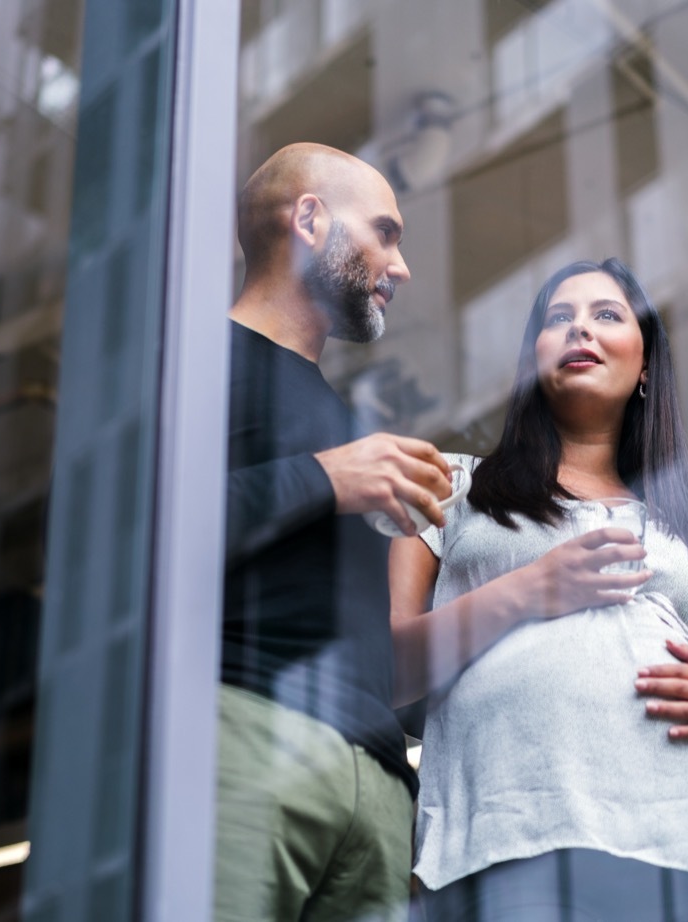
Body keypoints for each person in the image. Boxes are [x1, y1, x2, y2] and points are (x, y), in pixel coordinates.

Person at [390, 258, 688, 920]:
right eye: (558, 318)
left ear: (645, 365)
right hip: (512, 851)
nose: (580, 329)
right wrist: (528, 590)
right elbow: (385, 673)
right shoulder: (451, 487)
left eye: (606, 315)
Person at [216, 143, 453, 922]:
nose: (402, 265)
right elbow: (125, 536)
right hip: (244, 741)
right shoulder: (192, 362)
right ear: (310, 219)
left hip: (380, 790)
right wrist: (328, 479)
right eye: (384, 232)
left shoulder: (344, 419)